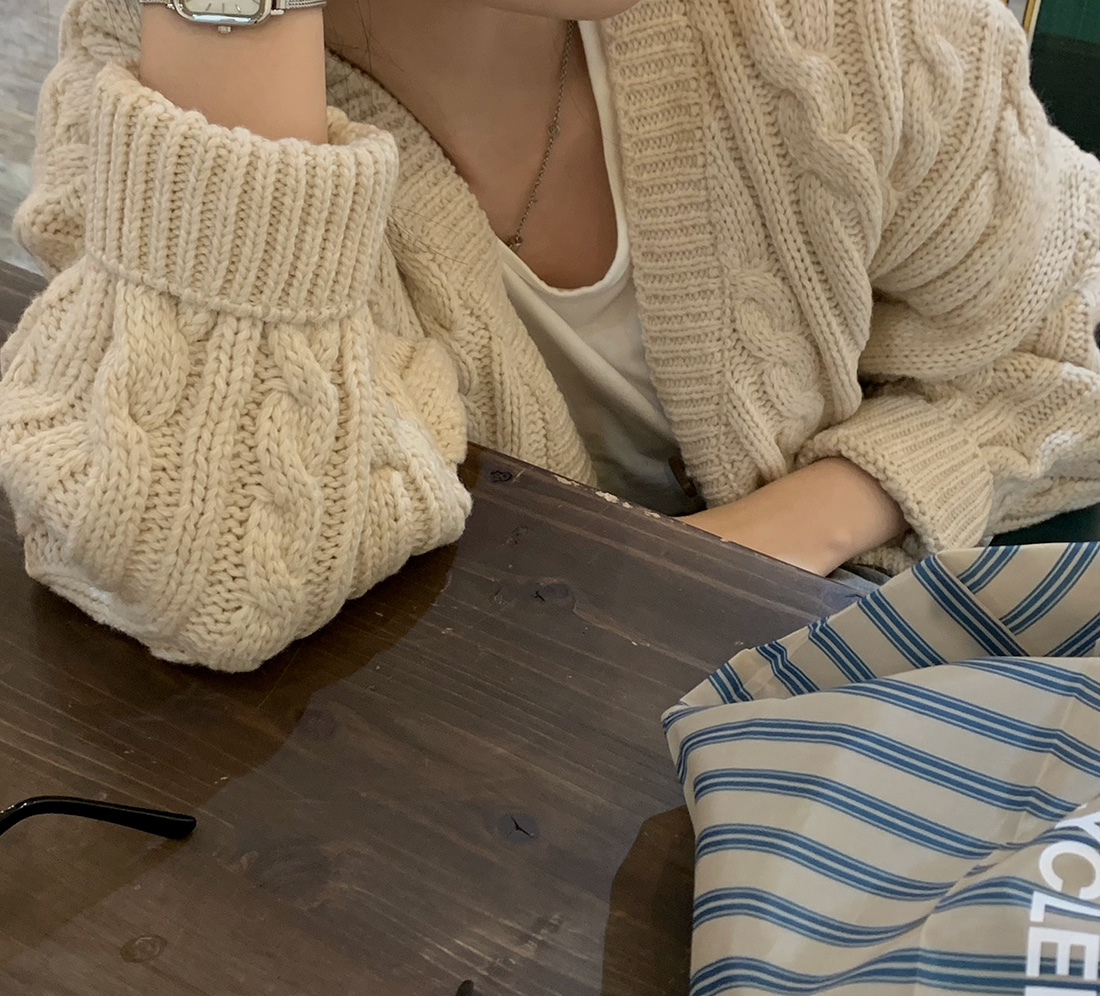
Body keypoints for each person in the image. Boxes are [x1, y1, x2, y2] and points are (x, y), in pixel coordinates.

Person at [0, 0, 1097, 672]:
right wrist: (231, 22)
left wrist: (782, 530)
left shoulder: (849, 29)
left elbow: (1064, 347)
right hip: (439, 820)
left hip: (803, 778)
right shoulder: (155, 75)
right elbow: (210, 567)